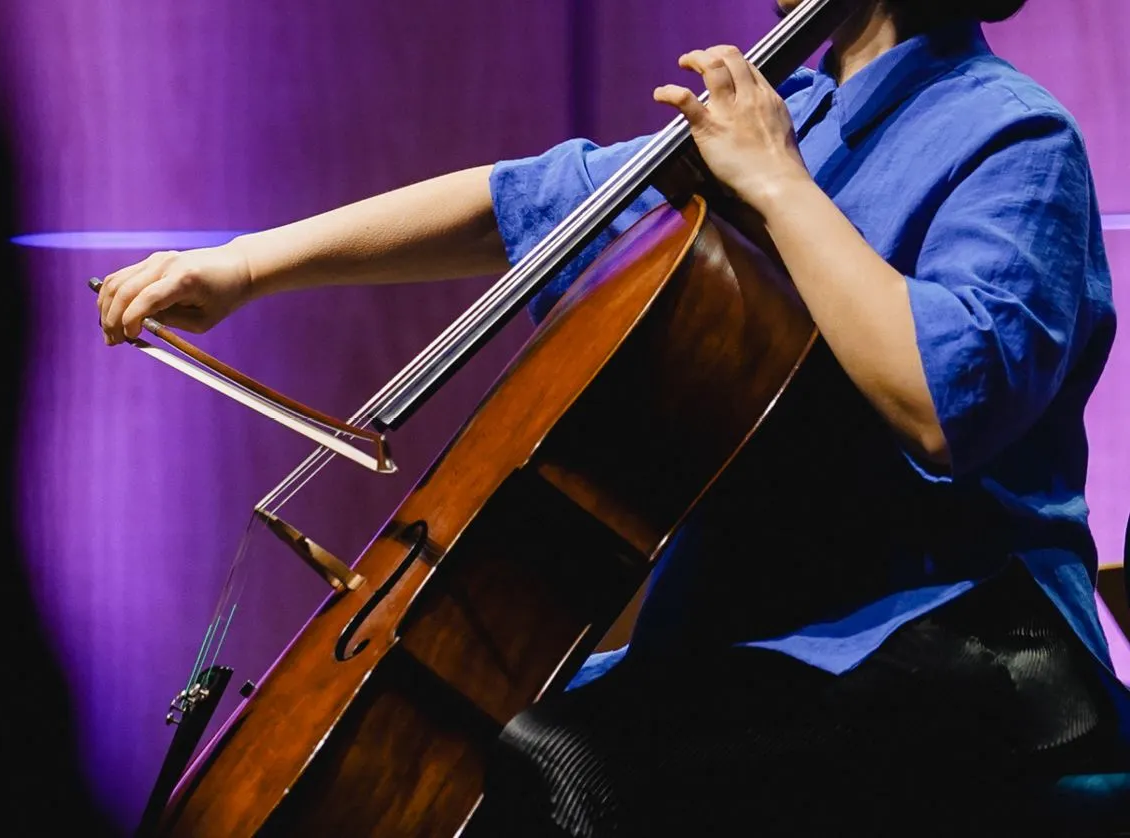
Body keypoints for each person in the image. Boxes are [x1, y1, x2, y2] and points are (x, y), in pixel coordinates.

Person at [97, 0, 1120, 834]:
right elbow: (523, 205)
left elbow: (941, 404)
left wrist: (776, 184)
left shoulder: (1010, 135)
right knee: (486, 740)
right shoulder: (784, 113)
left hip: (972, 647)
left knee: (564, 765)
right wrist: (240, 267)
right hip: (758, 649)